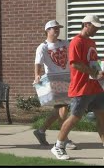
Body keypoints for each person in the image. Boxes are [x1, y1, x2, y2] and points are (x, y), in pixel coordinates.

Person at [51, 14, 104, 160]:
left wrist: (101, 64)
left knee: (102, 117)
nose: (97, 30)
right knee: (75, 117)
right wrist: (94, 72)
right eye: (95, 27)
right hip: (81, 88)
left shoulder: (92, 42)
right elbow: (75, 63)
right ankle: (58, 146)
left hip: (96, 87)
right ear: (86, 24)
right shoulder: (76, 42)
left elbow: (92, 60)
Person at [33, 20, 76, 150]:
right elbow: (38, 63)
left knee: (59, 111)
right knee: (63, 109)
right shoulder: (43, 47)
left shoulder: (65, 43)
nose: (57, 30)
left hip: (67, 79)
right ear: (47, 30)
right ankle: (64, 140)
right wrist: (37, 75)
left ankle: (41, 131)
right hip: (54, 81)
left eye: (58, 28)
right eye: (54, 28)